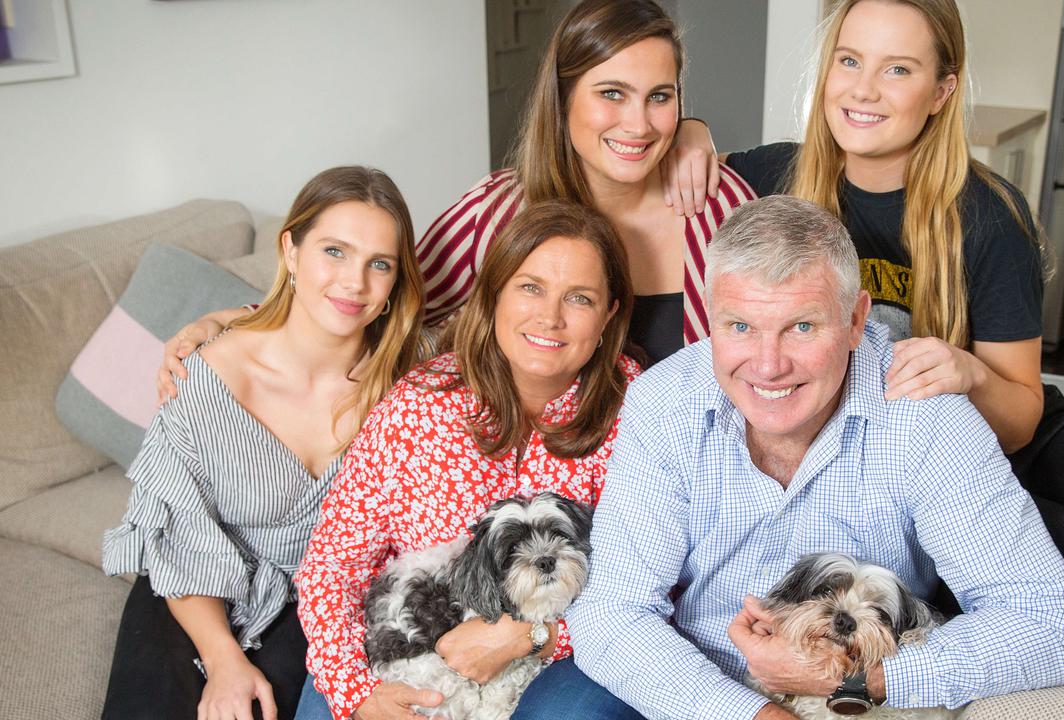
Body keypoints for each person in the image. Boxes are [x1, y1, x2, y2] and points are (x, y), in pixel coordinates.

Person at [704, 1, 1064, 717]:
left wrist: (971, 372)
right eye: (850, 61)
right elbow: (671, 160)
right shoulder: (772, 179)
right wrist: (694, 132)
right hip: (944, 480)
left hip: (1024, 435)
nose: (864, 89)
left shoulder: (985, 213)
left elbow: (1022, 411)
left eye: (899, 69)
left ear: (942, 91)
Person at [526, 195, 1064, 720]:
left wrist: (861, 680)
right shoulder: (664, 401)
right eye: (741, 326)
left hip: (856, 680)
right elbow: (614, 612)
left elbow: (1051, 621)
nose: (768, 366)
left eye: (800, 326)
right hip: (688, 670)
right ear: (711, 314)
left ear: (854, 320)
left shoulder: (928, 419)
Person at [157, 0, 754, 387]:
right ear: (564, 97)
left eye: (660, 96)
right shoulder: (497, 212)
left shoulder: (721, 205)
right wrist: (240, 320)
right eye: (612, 94)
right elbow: (380, 297)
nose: (639, 124)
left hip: (681, 511)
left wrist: (697, 135)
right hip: (533, 514)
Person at [293, 200, 642, 720]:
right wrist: (356, 692)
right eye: (530, 287)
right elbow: (333, 562)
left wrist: (532, 636)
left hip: (568, 652)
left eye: (580, 298)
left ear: (609, 311)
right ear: (494, 292)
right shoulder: (419, 403)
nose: (550, 317)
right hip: (410, 638)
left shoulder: (639, 408)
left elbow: (658, 579)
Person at [100, 166, 425, 720]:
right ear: (291, 252)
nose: (354, 283)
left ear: (397, 281)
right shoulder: (206, 375)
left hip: (320, 606)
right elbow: (179, 540)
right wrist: (223, 660)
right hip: (195, 594)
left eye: (379, 264)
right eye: (334, 251)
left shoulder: (411, 385)